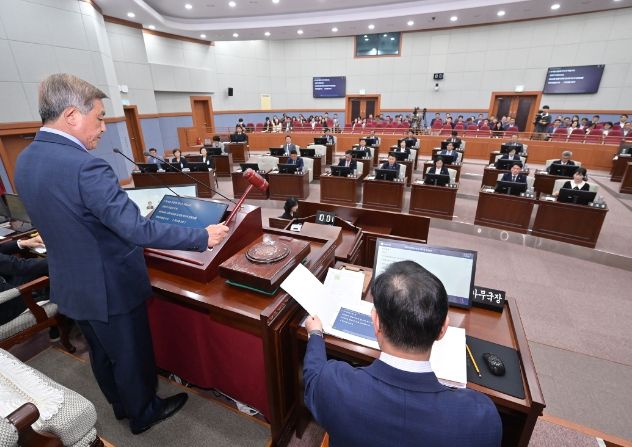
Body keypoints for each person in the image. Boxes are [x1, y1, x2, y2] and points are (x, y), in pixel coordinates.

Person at [14, 73, 230, 435]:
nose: (103, 127)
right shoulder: (86, 166)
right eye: (99, 117)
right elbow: (136, 230)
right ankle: (144, 412)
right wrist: (201, 236)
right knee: (131, 354)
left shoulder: (25, 159)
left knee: (101, 353)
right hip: (110, 284)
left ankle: (120, 405)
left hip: (72, 283)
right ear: (72, 115)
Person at [303, 261, 502, 447]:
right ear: (443, 329)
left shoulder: (333, 385)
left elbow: (313, 375)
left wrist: (315, 334)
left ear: (376, 322)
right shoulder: (481, 418)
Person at [0, 235, 49, 324]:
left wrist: (23, 243)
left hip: (5, 285)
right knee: (49, 270)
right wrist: (57, 261)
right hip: (7, 304)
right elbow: (18, 266)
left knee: (40, 268)